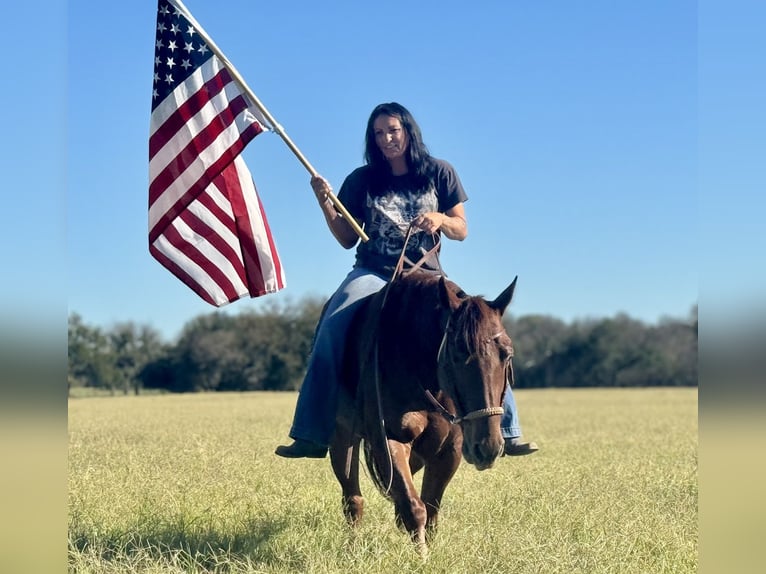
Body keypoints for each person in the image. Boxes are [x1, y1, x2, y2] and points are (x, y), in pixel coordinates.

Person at [275, 102, 537, 459]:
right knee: (331, 328)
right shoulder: (361, 180)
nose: (386, 139)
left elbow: (462, 228)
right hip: (373, 273)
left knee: (485, 330)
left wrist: (439, 219)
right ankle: (311, 432)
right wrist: (325, 203)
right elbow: (346, 237)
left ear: (408, 132)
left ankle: (509, 429)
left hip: (428, 275)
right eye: (379, 133)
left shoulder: (439, 172)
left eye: (393, 131)